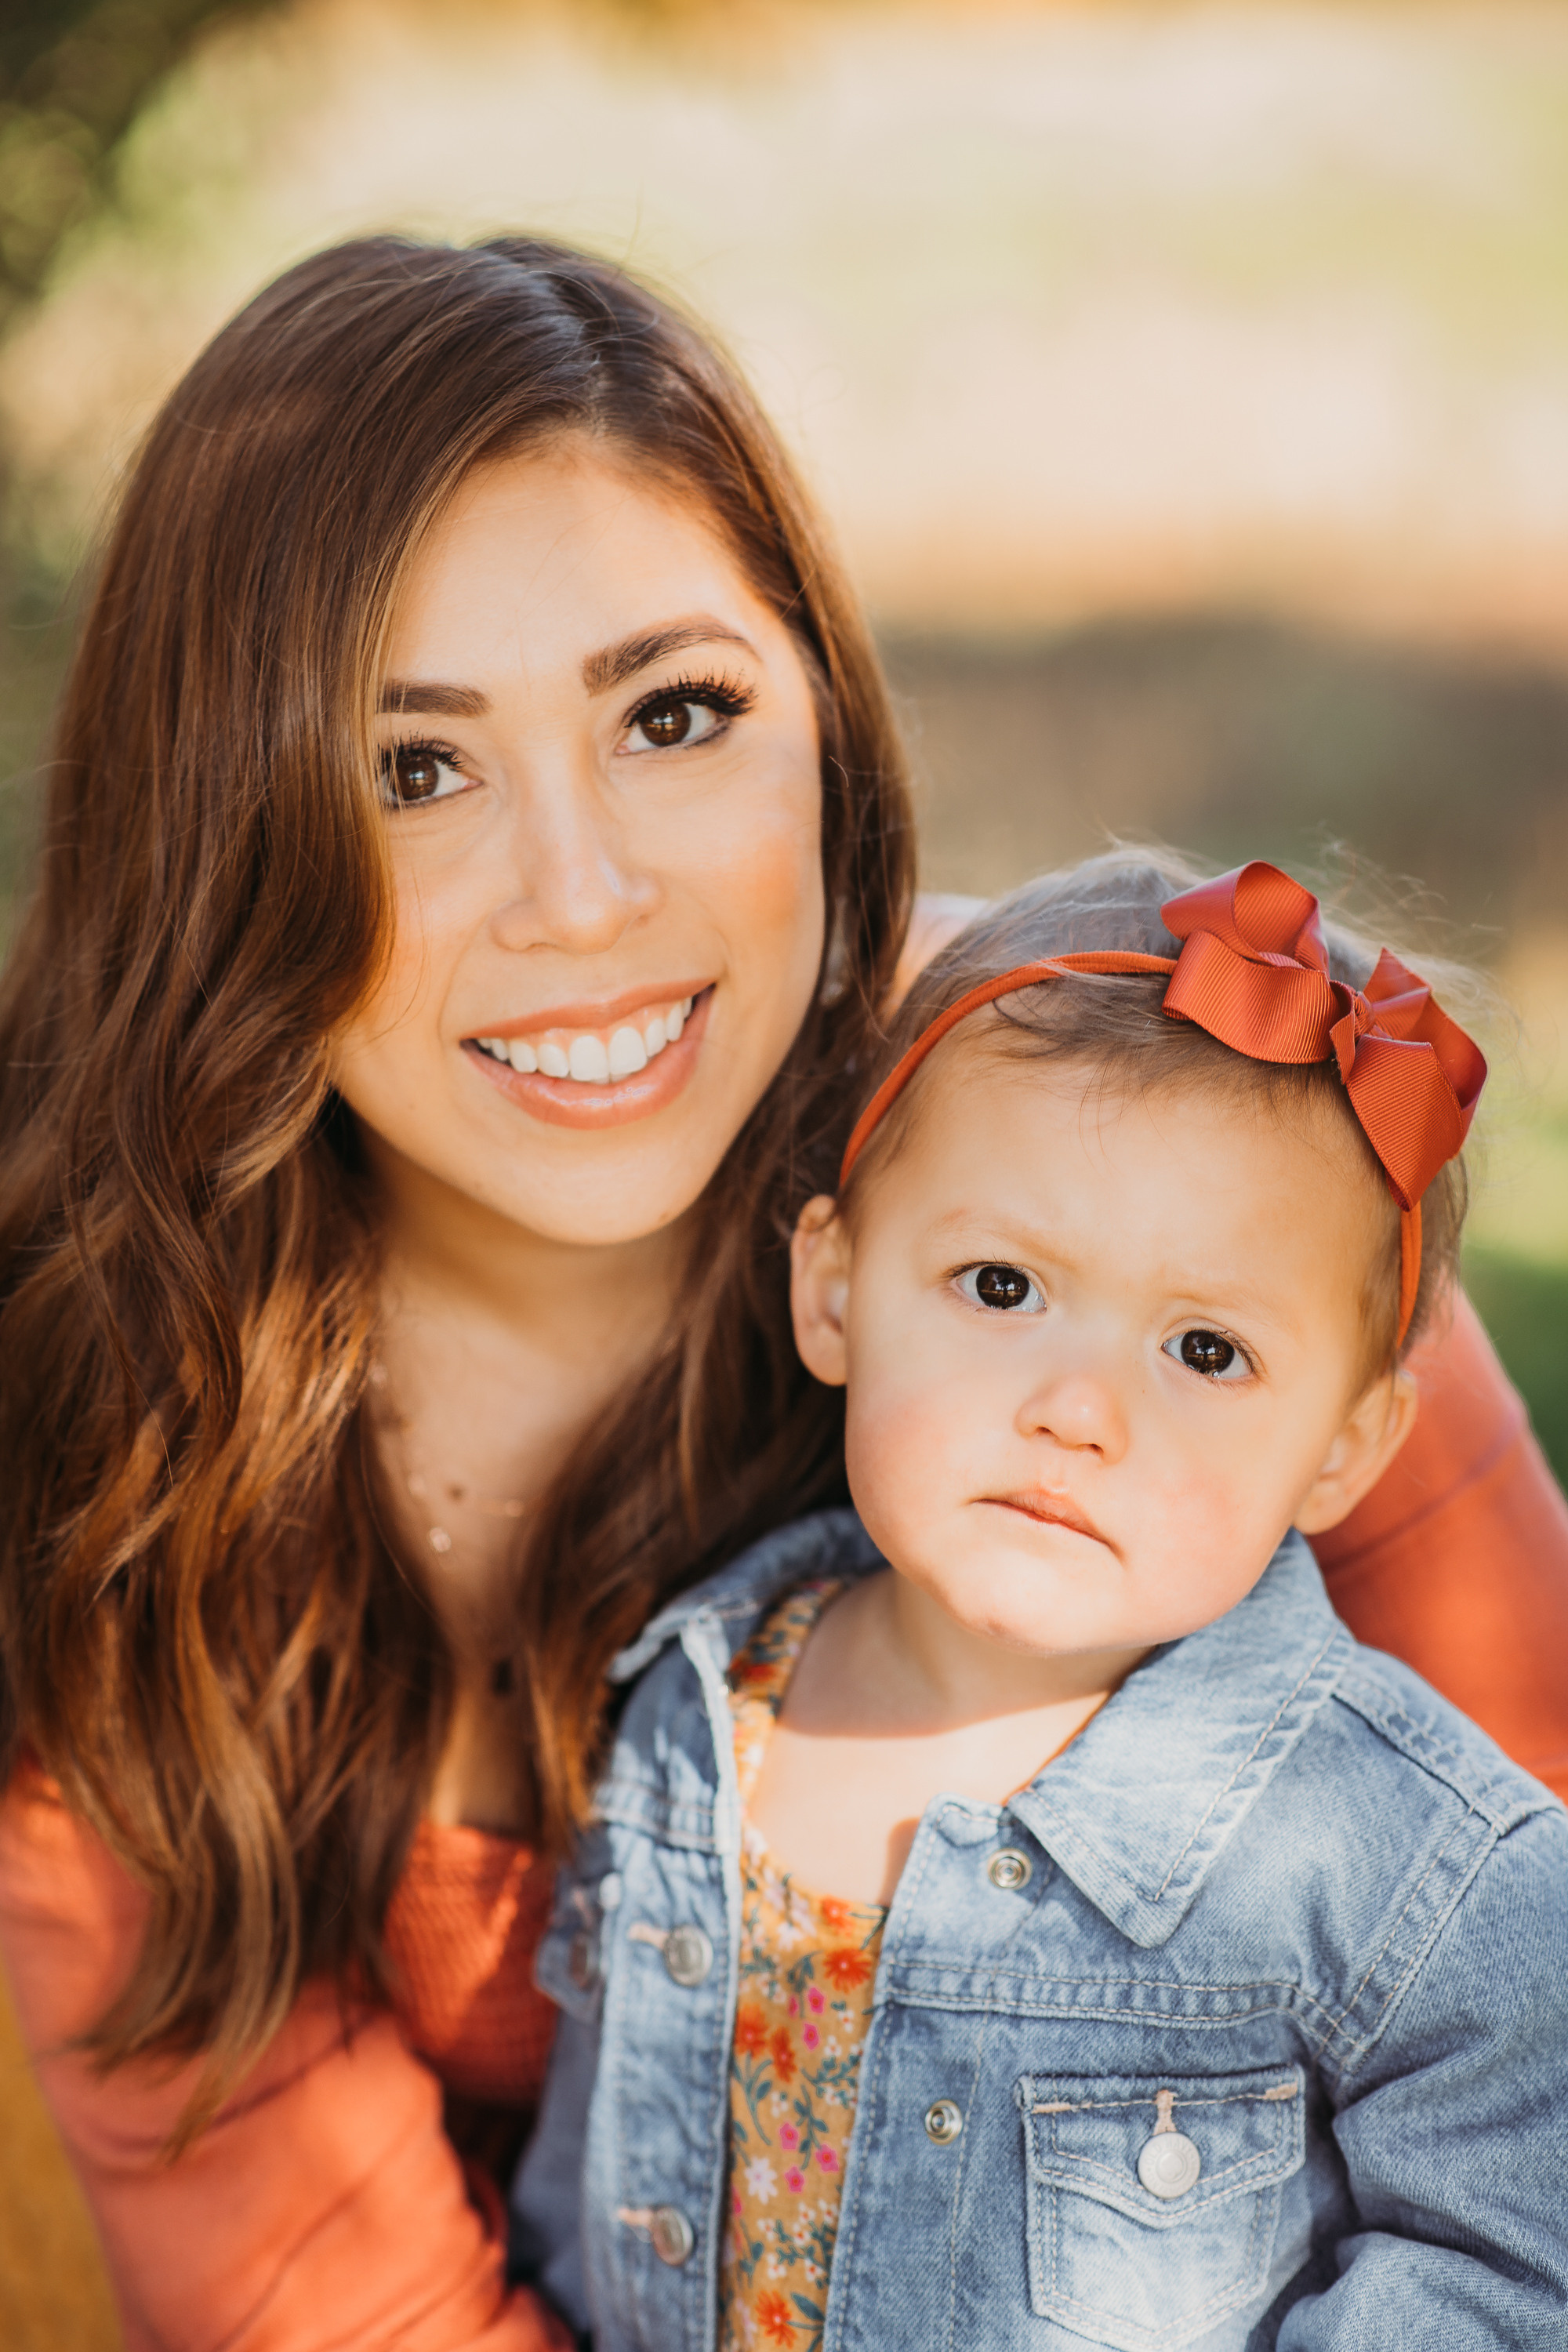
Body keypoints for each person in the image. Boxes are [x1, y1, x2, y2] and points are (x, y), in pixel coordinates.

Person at [0, 232, 1562, 2352]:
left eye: (676, 713)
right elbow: (320, 2295)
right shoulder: (109, 1430)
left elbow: (1522, 1918)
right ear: (223, 829)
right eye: (417, 767)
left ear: (822, 713)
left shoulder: (1175, 1160)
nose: (585, 896)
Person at [514, 852, 1568, 2348]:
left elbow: (1524, 2254)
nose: (1079, 1410)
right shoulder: (698, 1701)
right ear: (834, 1291)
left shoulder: (1408, 1865)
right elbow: (586, 2186)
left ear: (1343, 1447)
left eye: (1205, 1351)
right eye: (1002, 1286)